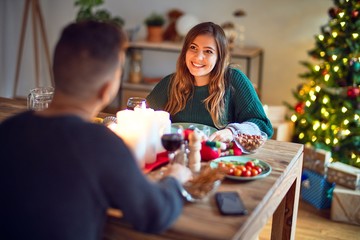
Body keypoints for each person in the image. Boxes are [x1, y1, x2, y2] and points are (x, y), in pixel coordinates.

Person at [0, 21, 192, 240]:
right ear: (107, 89)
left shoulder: (8, 129)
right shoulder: (101, 144)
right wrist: (175, 178)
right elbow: (155, 214)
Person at [147, 22, 273, 142]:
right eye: (193, 48)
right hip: (176, 156)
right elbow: (143, 118)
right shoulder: (170, 83)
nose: (198, 57)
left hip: (221, 158)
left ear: (219, 57)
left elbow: (263, 125)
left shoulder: (234, 79)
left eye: (208, 51)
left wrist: (231, 132)